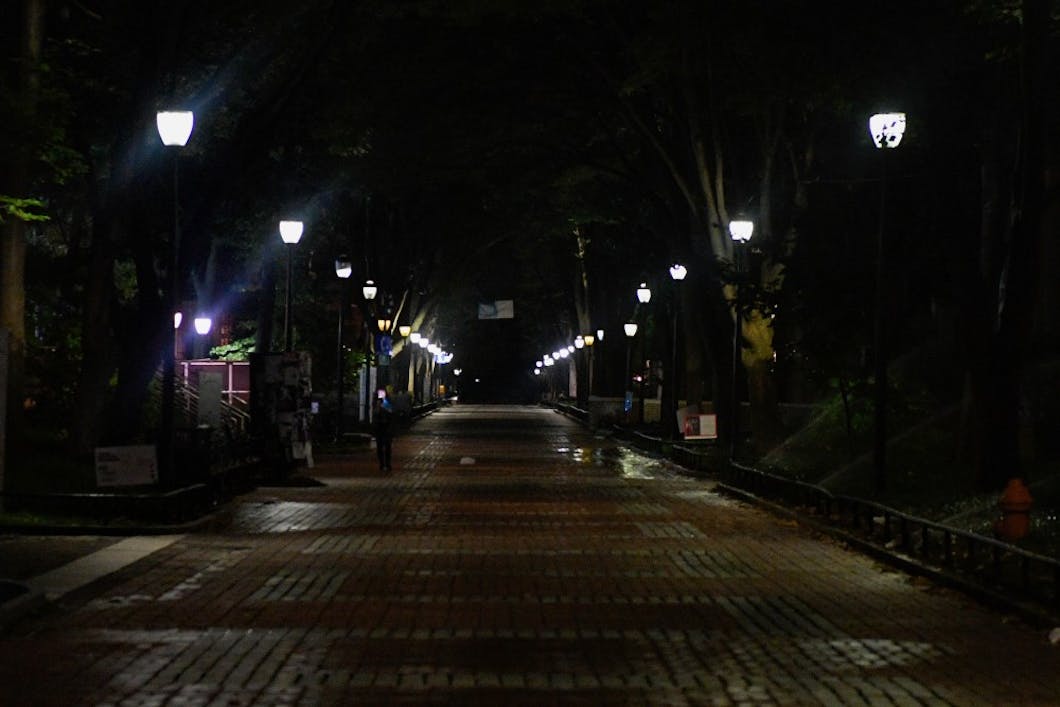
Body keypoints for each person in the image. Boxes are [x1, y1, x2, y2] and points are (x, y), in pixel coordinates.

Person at [372, 388, 394, 471]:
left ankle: (386, 463)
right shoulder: (377, 404)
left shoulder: (386, 403)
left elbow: (390, 413)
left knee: (386, 446)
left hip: (385, 427)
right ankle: (383, 463)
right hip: (380, 427)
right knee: (381, 446)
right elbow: (376, 414)